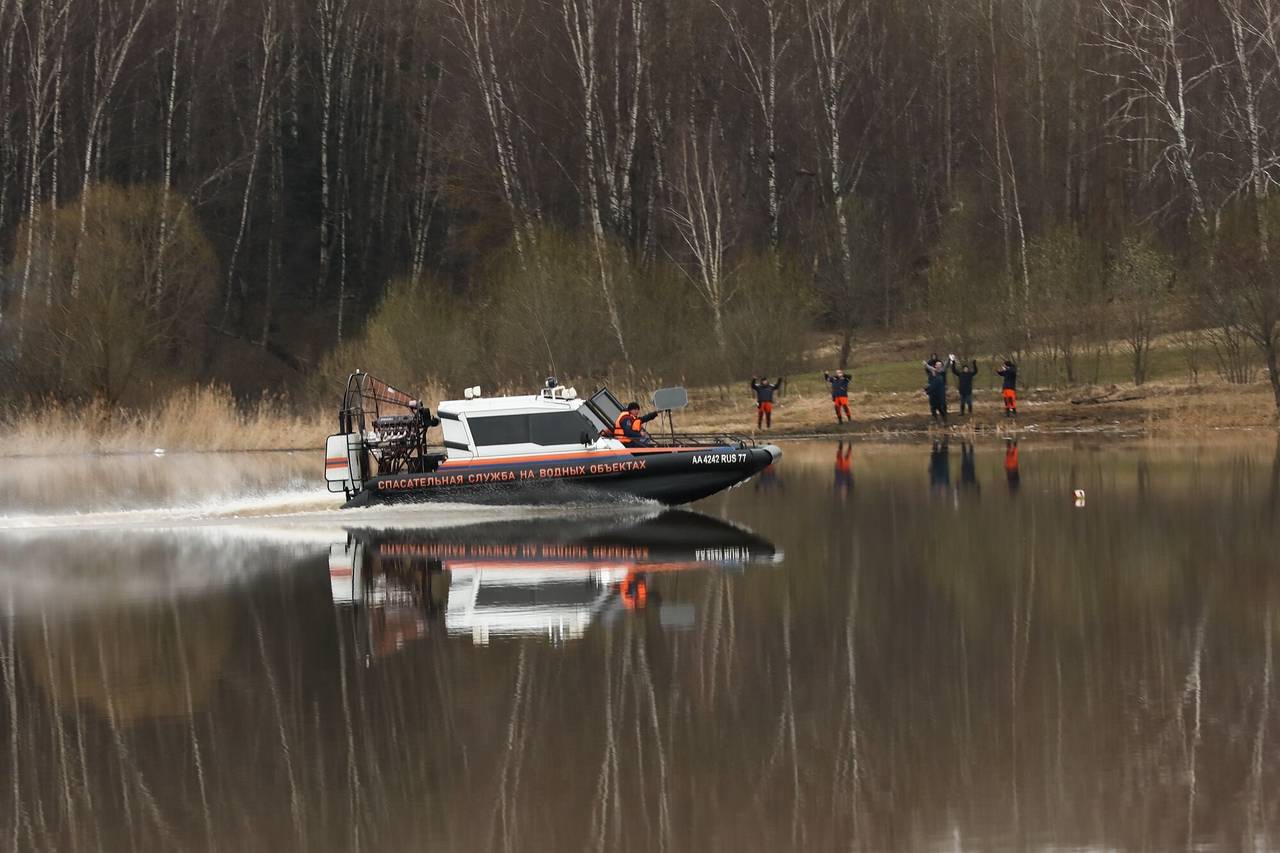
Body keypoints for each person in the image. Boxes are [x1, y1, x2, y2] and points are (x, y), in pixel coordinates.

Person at [924, 355, 951, 424]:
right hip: (933, 394)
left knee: (940, 407)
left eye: (939, 365)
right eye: (937, 365)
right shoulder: (932, 374)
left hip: (939, 393)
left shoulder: (941, 373)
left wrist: (949, 359)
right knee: (933, 407)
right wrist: (926, 365)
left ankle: (944, 419)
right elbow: (929, 368)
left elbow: (946, 366)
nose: (938, 366)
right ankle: (935, 419)